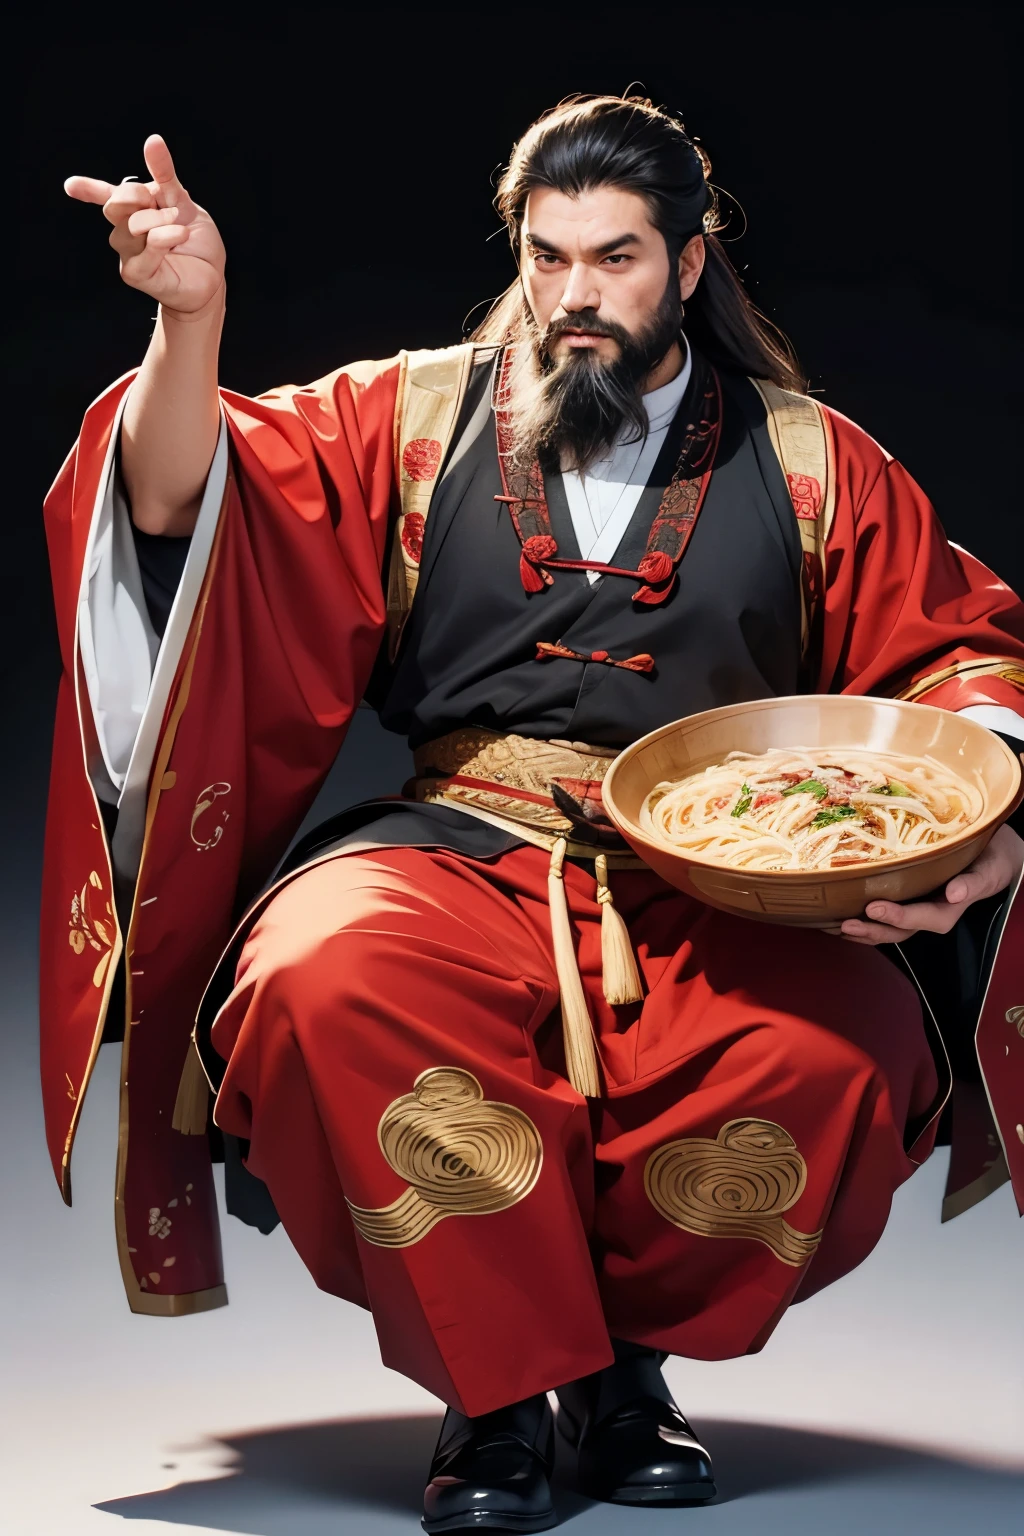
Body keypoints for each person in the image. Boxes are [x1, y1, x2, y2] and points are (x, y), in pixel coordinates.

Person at [47, 96, 1024, 1532]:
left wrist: (977, 808)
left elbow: (955, 649)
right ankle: (498, 1397)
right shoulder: (406, 415)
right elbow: (196, 507)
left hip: (725, 866)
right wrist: (190, 327)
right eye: (549, 255)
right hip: (455, 843)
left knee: (841, 1045)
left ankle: (629, 1375)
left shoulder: (815, 458)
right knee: (325, 979)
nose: (575, 295)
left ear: (690, 265)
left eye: (617, 258)